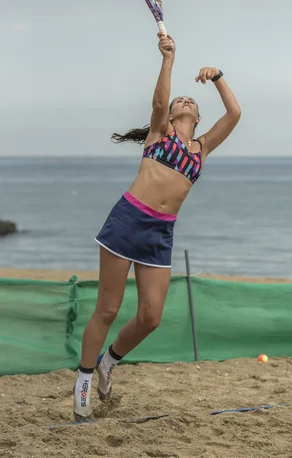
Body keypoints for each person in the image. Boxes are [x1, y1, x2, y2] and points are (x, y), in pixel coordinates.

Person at [73, 32, 241, 421]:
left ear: (198, 119)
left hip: (160, 233)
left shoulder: (201, 147)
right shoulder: (158, 134)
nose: (185, 101)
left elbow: (234, 115)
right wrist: (169, 59)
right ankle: (82, 382)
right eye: (180, 99)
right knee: (107, 310)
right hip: (127, 220)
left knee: (151, 317)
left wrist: (217, 77)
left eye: (192, 102)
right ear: (167, 114)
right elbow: (157, 101)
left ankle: (108, 362)